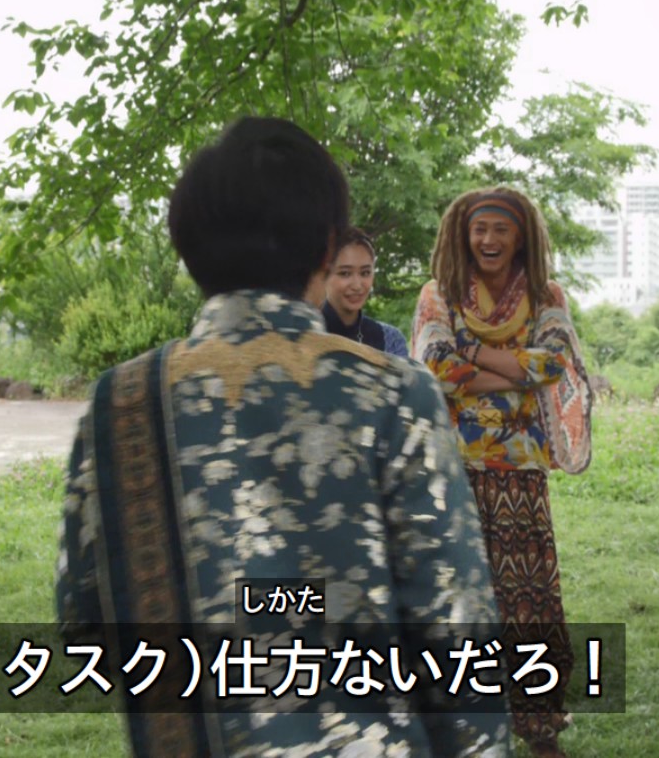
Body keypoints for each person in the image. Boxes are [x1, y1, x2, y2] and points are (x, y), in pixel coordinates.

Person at [53, 117, 512, 757]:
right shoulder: (393, 393)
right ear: (326, 248)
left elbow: (85, 624)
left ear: (187, 245)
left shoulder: (122, 403)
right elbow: (456, 638)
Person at [411, 186, 592, 758]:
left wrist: (473, 357)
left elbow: (553, 362)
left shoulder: (546, 295)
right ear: (463, 234)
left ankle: (540, 730)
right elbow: (435, 366)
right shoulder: (438, 294)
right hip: (453, 468)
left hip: (520, 471)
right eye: (479, 229)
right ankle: (459, 728)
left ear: (521, 237)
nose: (488, 240)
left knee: (527, 600)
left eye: (501, 230)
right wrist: (515, 371)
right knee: (455, 597)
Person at [322, 226, 409, 356]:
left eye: (365, 273)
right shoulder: (302, 335)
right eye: (345, 273)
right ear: (324, 275)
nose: (357, 286)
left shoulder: (391, 341)